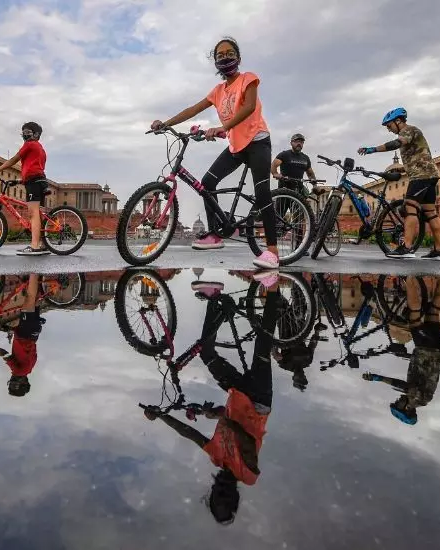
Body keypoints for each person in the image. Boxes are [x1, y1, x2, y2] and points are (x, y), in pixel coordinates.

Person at [144, 280, 279, 524]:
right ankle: (273, 290)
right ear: (235, 497)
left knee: (206, 353)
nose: (222, 492)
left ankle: (214, 298)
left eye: (217, 496)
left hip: (236, 393)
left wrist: (161, 415)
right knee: (262, 343)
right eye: (227, 498)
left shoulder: (216, 457)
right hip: (259, 400)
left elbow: (188, 433)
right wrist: (220, 417)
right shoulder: (248, 475)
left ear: (213, 492)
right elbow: (247, 440)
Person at [150, 37, 279, 270]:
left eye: (229, 53)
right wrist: (166, 123)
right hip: (237, 147)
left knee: (262, 193)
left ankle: (272, 251)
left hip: (258, 142)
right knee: (208, 183)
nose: (225, 57)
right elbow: (193, 109)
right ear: (215, 61)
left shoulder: (248, 79)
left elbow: (249, 107)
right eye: (220, 55)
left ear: (238, 57)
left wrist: (223, 127)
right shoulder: (218, 91)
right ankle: (216, 234)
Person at [358, 108, 440, 261]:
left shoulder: (408, 130)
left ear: (398, 121)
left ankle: (406, 247)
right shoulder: (412, 133)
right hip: (428, 175)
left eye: (389, 125)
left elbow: (395, 144)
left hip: (421, 177)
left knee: (409, 209)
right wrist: (402, 168)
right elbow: (417, 156)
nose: (389, 129)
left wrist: (372, 149)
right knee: (430, 213)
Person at [362, 276, 440, 424]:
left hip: (436, 352)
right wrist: (379, 378)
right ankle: (409, 278)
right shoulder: (417, 399)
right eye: (398, 405)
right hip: (425, 350)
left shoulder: (423, 399)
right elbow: (404, 385)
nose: (397, 401)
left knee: (433, 313)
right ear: (406, 409)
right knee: (414, 316)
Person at [0, 122, 48, 256]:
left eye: (28, 131)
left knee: (33, 214)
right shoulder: (41, 149)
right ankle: (42, 244)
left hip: (34, 182)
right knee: (38, 214)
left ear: (36, 134)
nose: (25, 134)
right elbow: (37, 168)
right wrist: (20, 180)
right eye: (23, 132)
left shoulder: (29, 144)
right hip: (40, 181)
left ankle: (34, 246)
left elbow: (14, 160)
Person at [0, 273, 45, 396]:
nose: (12, 381)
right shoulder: (18, 371)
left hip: (33, 332)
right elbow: (4, 354)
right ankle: (34, 272)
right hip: (26, 332)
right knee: (29, 298)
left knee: (35, 300)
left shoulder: (29, 369)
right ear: (22, 382)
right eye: (14, 385)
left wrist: (10, 329)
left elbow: (26, 350)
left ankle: (39, 277)